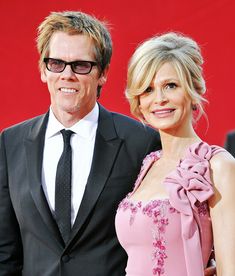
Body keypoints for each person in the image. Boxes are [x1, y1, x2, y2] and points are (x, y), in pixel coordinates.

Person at [0, 11, 162, 275]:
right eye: (56, 64)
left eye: (81, 65)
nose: (67, 75)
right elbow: (5, 251)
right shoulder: (11, 142)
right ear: (43, 69)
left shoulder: (140, 142)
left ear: (103, 73)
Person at [115, 32, 235, 275]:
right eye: (148, 89)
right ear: (138, 101)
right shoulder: (149, 163)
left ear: (192, 91)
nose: (159, 99)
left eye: (170, 86)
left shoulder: (218, 165)